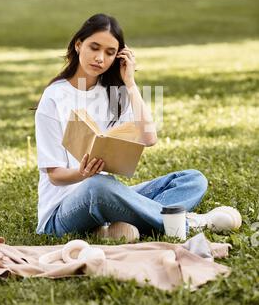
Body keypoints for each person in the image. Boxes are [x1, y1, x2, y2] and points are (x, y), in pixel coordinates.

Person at [32, 13, 241, 242]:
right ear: (79, 44)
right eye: (94, 47)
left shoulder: (112, 92)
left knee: (192, 179)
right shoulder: (54, 97)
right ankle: (187, 223)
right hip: (61, 212)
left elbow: (149, 138)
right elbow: (54, 175)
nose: (100, 58)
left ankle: (111, 228)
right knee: (99, 186)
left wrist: (130, 83)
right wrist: (82, 174)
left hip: (105, 197)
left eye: (110, 52)